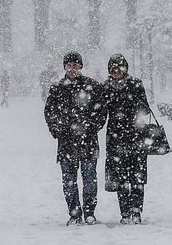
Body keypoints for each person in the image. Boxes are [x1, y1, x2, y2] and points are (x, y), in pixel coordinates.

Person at [44, 52, 106, 226]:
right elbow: (49, 112)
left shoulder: (92, 86)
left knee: (89, 179)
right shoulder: (57, 88)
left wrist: (92, 126)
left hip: (88, 141)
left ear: (81, 67)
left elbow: (101, 110)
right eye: (69, 65)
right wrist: (57, 129)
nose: (73, 69)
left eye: (76, 66)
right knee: (69, 181)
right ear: (64, 67)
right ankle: (74, 213)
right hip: (66, 143)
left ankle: (89, 212)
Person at [102, 53, 151, 225]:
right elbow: (100, 112)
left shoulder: (135, 84)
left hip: (136, 135)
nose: (116, 72)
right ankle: (124, 212)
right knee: (120, 177)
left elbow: (145, 109)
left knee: (137, 177)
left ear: (125, 68)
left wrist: (134, 102)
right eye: (113, 69)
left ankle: (136, 211)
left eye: (119, 68)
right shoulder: (106, 87)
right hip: (116, 138)